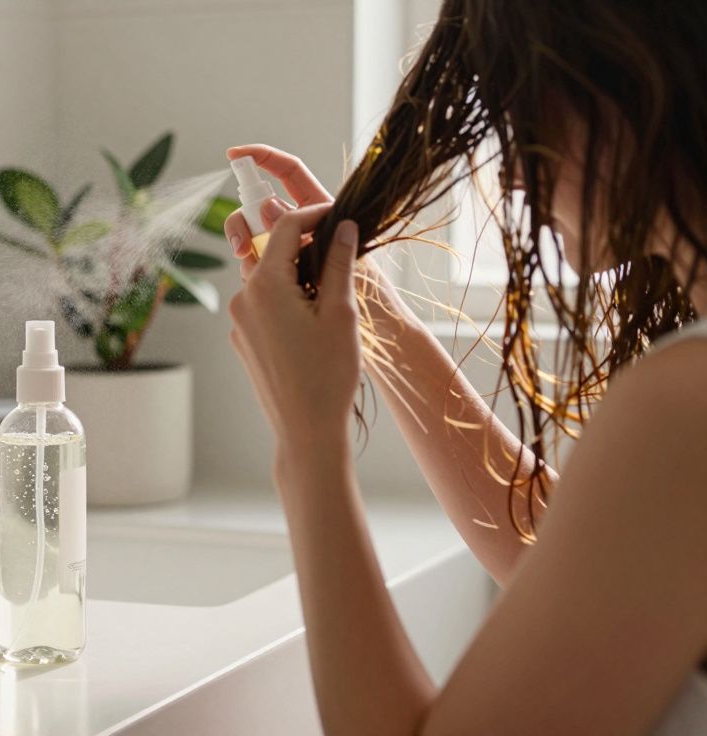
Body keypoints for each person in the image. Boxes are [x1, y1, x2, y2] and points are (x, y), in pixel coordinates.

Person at [220, 1, 707, 733]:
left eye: (521, 123)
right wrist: (372, 309)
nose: (510, 177)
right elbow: (563, 555)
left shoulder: (684, 403)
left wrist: (309, 441)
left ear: (627, 90)